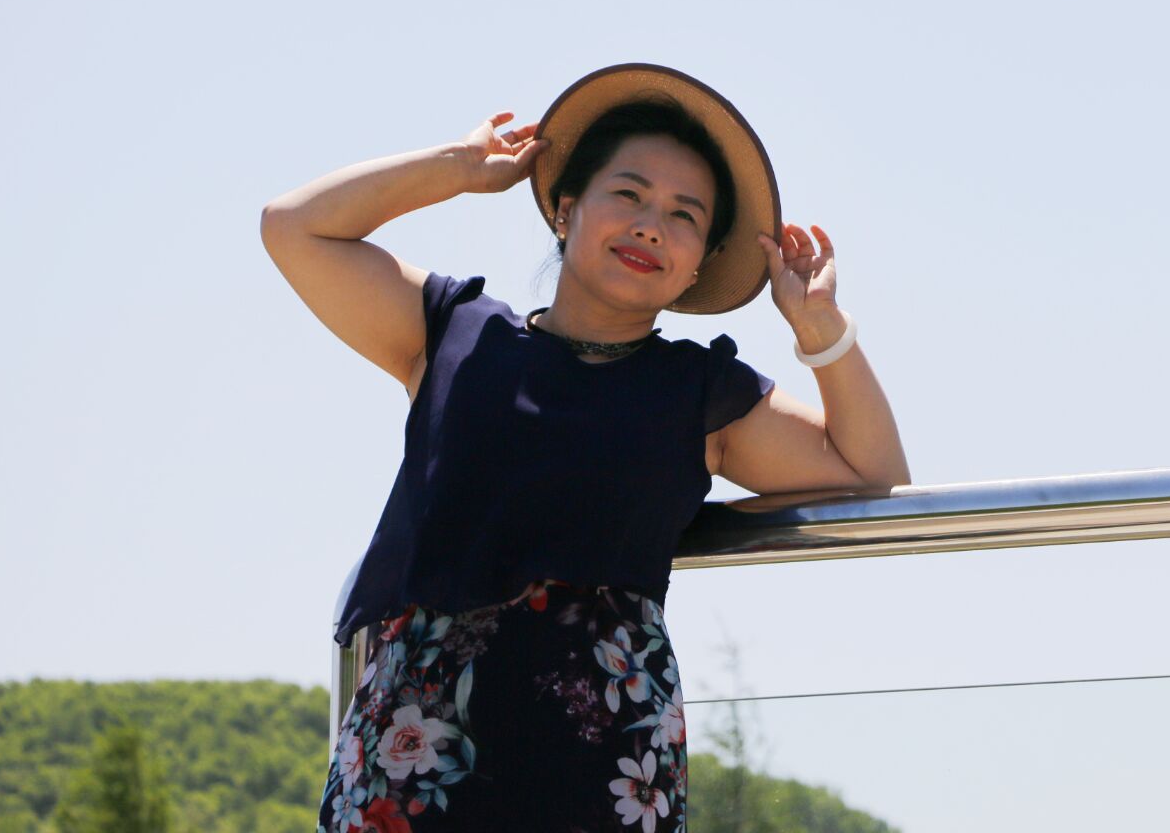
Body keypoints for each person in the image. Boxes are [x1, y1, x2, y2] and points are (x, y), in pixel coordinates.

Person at [260, 62, 910, 831]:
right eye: (628, 194)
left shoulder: (700, 392)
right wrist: (459, 168)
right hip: (414, 751)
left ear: (697, 265)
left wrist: (822, 332)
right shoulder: (455, 333)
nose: (651, 225)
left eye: (684, 215)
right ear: (566, 210)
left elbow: (874, 474)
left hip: (602, 765)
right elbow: (293, 226)